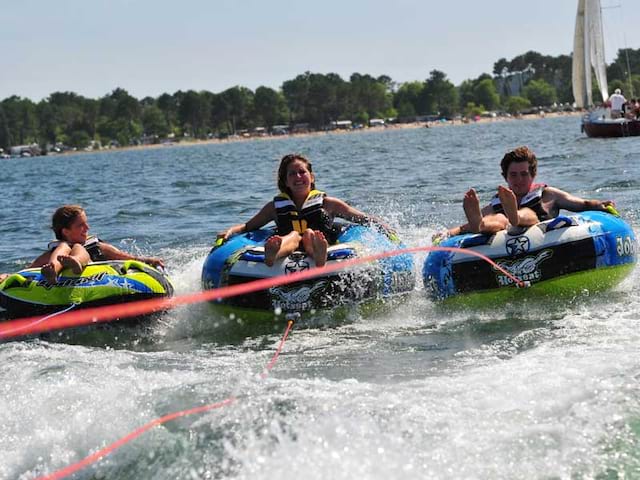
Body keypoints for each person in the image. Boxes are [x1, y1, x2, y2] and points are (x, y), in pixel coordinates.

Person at [217, 153, 391, 267]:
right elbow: (248, 227)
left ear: (311, 177)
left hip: (319, 243)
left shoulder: (329, 203)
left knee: (308, 234)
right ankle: (272, 255)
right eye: (292, 174)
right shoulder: (274, 207)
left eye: (302, 172)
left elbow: (361, 218)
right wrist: (230, 231)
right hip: (290, 245)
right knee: (292, 237)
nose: (298, 177)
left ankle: (319, 254)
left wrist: (383, 227)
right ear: (285, 181)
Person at [441, 146, 615, 238]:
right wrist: (450, 232)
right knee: (498, 219)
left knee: (527, 214)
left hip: (539, 232)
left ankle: (515, 217)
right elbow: (465, 227)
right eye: (513, 175)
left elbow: (581, 204)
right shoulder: (500, 200)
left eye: (524, 174)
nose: (519, 180)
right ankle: (481, 226)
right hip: (505, 235)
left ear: (533, 175)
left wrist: (599, 205)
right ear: (505, 177)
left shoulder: (548, 194)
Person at [28, 205, 164, 284]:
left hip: (94, 278)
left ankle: (76, 262)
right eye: (81, 225)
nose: (87, 228)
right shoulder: (55, 251)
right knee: (63, 247)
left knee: (78, 247)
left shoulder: (95, 247)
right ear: (66, 231)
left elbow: (126, 258)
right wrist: (7, 277)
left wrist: (148, 260)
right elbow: (26, 272)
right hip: (63, 272)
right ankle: (53, 270)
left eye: (86, 223)